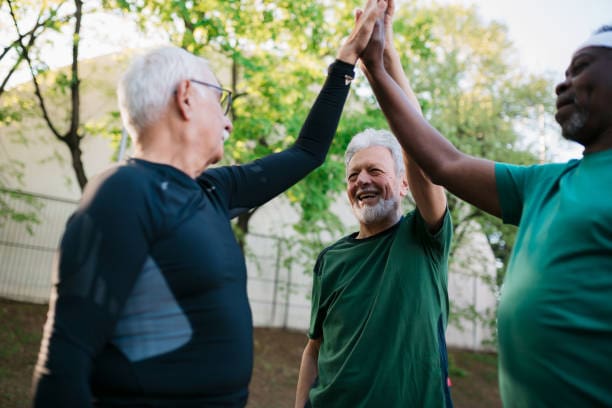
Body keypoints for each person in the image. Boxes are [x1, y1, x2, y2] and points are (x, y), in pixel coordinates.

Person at [30, 1, 389, 406]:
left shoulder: (213, 191)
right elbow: (62, 368)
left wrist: (347, 62)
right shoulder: (122, 194)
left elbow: (307, 152)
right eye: (220, 100)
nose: (228, 121)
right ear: (186, 96)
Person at [361, 12, 612, 407]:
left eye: (580, 69)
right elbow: (443, 163)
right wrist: (378, 65)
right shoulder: (543, 183)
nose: (562, 83)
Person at [295, 3, 453, 406]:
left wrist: (385, 59)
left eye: (375, 171)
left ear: (403, 184)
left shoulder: (426, 236)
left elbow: (424, 149)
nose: (362, 181)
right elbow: (313, 349)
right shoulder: (330, 259)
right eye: (353, 175)